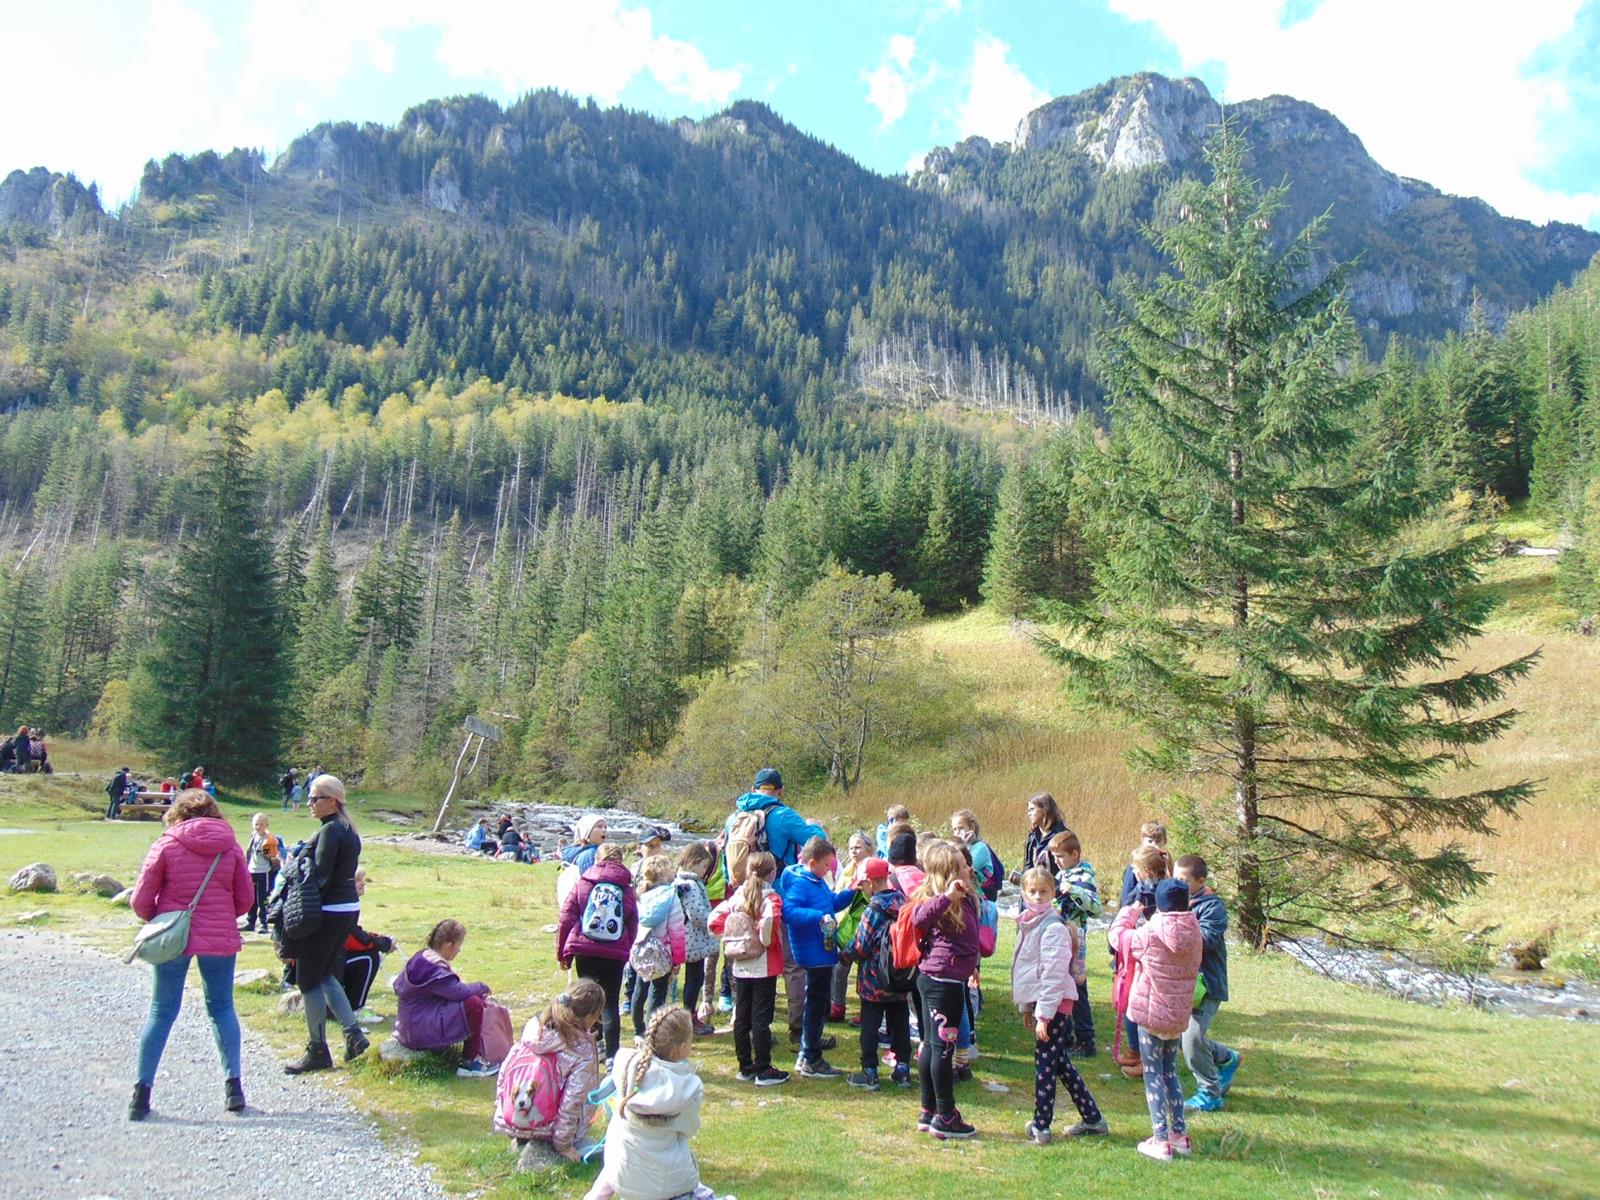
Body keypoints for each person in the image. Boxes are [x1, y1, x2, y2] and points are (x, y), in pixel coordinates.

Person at [128, 789, 255, 1120]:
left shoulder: (167, 844)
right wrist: (221, 915)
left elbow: (140, 900)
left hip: (174, 937)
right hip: (219, 937)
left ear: (178, 813)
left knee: (161, 1011)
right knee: (222, 1009)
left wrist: (161, 918)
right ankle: (234, 1088)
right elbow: (245, 900)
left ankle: (141, 1095)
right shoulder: (230, 846)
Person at [584, 1008, 726, 1200]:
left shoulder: (625, 1062)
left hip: (619, 1166)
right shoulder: (688, 1087)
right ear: (682, 1047)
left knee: (628, 1151)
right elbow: (690, 1129)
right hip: (661, 1183)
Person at [1012, 867, 1108, 1144]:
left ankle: (1041, 1126)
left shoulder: (1052, 927)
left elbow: (1053, 975)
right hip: (1044, 1003)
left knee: (1045, 1063)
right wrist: (1027, 1007)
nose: (1038, 897)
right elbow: (1028, 969)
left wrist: (1044, 1015)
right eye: (1032, 891)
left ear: (1053, 892)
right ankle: (1093, 1118)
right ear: (1023, 893)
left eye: (1043, 891)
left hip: (1054, 1005)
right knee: (1059, 1062)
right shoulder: (1029, 922)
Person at [283, 775, 369, 1074]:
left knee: (308, 979)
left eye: (315, 798)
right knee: (326, 973)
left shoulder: (331, 830)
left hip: (328, 911)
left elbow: (318, 877)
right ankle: (353, 1035)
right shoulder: (348, 829)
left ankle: (317, 1049)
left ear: (332, 800)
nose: (309, 803)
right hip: (347, 909)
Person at [1112, 878, 1203, 1161]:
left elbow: (1117, 938)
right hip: (1178, 1015)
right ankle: (1179, 1135)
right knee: (1169, 1071)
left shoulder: (1150, 933)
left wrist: (1130, 912)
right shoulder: (1195, 933)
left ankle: (1160, 1138)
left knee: (1152, 1073)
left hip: (1151, 1015)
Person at [908, 841, 981, 1139]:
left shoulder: (965, 898)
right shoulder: (937, 900)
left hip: (945, 978)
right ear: (950, 874)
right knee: (942, 1049)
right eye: (963, 866)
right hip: (941, 983)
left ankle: (928, 1111)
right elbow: (918, 919)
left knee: (930, 1044)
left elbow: (966, 938)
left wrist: (972, 966)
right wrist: (946, 897)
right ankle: (946, 1115)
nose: (969, 868)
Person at [780, 836, 859, 1079]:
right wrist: (817, 917)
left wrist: (851, 892)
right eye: (826, 865)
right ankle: (811, 1058)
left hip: (822, 951)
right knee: (815, 1005)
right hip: (813, 953)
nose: (829, 869)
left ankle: (807, 1053)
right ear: (812, 862)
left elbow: (831, 903)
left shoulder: (817, 881)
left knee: (816, 1003)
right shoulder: (801, 883)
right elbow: (788, 911)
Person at [497, 981, 604, 1161]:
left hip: (514, 1120)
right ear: (592, 1015)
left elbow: (504, 1075)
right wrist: (564, 1145)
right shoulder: (581, 1048)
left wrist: (504, 1117)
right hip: (550, 1129)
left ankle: (521, 1132)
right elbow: (572, 1101)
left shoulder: (534, 1030)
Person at [707, 851, 787, 1086]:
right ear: (772, 874)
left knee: (742, 1017)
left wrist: (730, 937)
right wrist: (764, 938)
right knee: (761, 1018)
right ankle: (763, 1068)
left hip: (740, 963)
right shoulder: (770, 898)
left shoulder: (737, 897)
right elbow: (770, 922)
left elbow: (714, 920)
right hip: (764, 964)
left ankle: (745, 1066)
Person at [558, 842, 639, 1061]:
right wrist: (627, 949)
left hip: (585, 949)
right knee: (610, 1003)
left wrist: (563, 952)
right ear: (620, 861)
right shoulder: (626, 888)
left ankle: (586, 1048)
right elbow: (633, 923)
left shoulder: (584, 882)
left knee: (585, 1000)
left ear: (597, 859)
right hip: (615, 953)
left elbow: (566, 916)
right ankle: (612, 1056)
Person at [1176, 855, 1240, 1112]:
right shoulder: (1176, 902)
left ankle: (1209, 1093)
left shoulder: (1213, 908)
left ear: (1200, 881)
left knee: (1191, 1038)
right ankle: (1226, 1058)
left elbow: (1204, 940)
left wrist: (1177, 926)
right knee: (1181, 1036)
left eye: (1183, 880)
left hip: (1207, 986)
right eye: (1175, 879)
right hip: (1183, 984)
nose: (1178, 885)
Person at [395, 919, 499, 1076]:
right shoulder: (433, 968)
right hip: (418, 1030)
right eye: (458, 945)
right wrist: (481, 987)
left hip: (407, 1026)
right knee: (473, 1004)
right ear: (448, 946)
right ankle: (469, 1062)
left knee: (467, 1001)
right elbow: (459, 992)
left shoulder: (421, 957)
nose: (459, 950)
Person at [845, 856, 912, 1090]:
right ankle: (903, 1070)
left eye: (862, 884)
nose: (861, 889)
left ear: (871, 883)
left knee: (870, 1025)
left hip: (874, 979)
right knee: (900, 1024)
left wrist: (844, 953)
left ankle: (870, 1072)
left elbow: (861, 945)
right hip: (900, 975)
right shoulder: (903, 902)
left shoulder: (873, 908)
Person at [1112, 842, 1171, 1077]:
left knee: (1136, 1007)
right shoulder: (1165, 889)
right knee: (1138, 1006)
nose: (1133, 873)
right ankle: (1138, 1051)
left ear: (1145, 871)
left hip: (1142, 955)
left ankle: (1145, 1058)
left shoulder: (1146, 894)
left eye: (1135, 869)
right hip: (1149, 955)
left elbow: (1128, 924)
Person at [1049, 829, 1103, 1056]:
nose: (1057, 862)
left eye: (1061, 857)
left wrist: (1072, 890)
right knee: (1062, 986)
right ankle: (1066, 1034)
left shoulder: (1084, 877)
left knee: (1078, 988)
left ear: (1074, 854)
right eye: (1054, 857)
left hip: (1076, 942)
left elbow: (1096, 909)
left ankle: (1086, 1040)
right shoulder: (1062, 874)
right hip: (1060, 938)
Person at [631, 854, 685, 1039]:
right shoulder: (671, 897)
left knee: (640, 989)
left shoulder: (641, 895)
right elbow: (677, 932)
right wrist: (678, 960)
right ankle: (652, 1033)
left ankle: (638, 1029)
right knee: (657, 992)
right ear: (664, 873)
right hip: (663, 951)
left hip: (640, 948)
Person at [341, 868, 398, 1020]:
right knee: (369, 958)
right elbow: (353, 938)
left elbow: (357, 933)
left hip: (333, 958)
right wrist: (383, 944)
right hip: (329, 963)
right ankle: (356, 1009)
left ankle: (351, 1003)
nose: (363, 884)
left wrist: (380, 939)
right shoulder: (344, 904)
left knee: (368, 955)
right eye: (358, 881)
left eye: (362, 880)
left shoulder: (347, 903)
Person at [674, 842, 718, 1036]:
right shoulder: (690, 885)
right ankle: (689, 1016)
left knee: (694, 978)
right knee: (694, 979)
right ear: (693, 863)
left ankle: (689, 1015)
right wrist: (714, 920)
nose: (705, 871)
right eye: (704, 866)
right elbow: (696, 914)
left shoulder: (683, 881)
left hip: (691, 938)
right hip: (693, 939)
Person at [829, 831, 874, 1021]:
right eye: (850, 848)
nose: (853, 851)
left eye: (858, 847)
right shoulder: (847, 871)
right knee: (840, 966)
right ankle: (837, 1005)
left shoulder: (875, 871)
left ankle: (867, 1011)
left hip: (867, 928)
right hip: (846, 928)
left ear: (869, 849)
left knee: (866, 970)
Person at [1013, 792, 1069, 881]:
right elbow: (1028, 867)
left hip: (1059, 886)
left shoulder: (1063, 836)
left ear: (1044, 810)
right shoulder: (1032, 837)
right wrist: (1022, 879)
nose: (1029, 814)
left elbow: (1069, 868)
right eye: (1029, 810)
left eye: (1032, 809)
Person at [951, 809, 1003, 901]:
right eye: (955, 829)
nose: (957, 833)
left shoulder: (980, 848)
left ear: (972, 828)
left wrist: (962, 846)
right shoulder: (959, 848)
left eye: (961, 828)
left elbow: (963, 869)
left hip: (982, 898)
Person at [243, 813, 282, 934]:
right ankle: (250, 921)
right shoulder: (253, 836)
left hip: (263, 871)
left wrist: (267, 850)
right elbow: (249, 853)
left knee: (262, 898)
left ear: (266, 825)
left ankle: (263, 923)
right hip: (252, 870)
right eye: (256, 824)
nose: (258, 827)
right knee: (252, 897)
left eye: (261, 824)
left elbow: (271, 856)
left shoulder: (269, 839)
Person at [1119, 822, 1170, 907]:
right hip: (1136, 909)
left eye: (1157, 841)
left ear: (1165, 841)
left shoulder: (1166, 862)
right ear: (1142, 840)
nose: (1154, 845)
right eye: (1150, 841)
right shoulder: (1135, 866)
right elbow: (1126, 897)